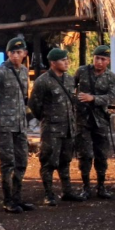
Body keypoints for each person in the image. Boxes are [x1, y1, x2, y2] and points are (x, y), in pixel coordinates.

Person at [28, 48, 86, 206]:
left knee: (65, 160)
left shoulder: (69, 79)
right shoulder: (43, 81)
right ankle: (48, 193)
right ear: (53, 63)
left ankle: (67, 191)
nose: (67, 62)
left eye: (67, 59)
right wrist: (47, 119)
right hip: (51, 130)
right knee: (48, 161)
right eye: (63, 60)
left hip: (68, 128)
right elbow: (34, 104)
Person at [0, 36, 32, 212]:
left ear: (25, 54)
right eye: (12, 52)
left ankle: (17, 198)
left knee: (22, 161)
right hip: (4, 125)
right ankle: (8, 200)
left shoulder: (24, 71)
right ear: (7, 53)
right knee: (7, 163)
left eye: (19, 52)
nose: (16, 55)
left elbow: (24, 96)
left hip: (20, 125)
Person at [74, 44, 115, 199]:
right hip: (83, 119)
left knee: (101, 154)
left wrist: (93, 98)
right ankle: (85, 187)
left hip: (100, 120)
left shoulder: (111, 77)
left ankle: (101, 186)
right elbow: (71, 88)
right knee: (84, 154)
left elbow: (112, 97)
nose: (99, 61)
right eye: (96, 58)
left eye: (103, 59)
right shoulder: (82, 72)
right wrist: (77, 100)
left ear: (108, 61)